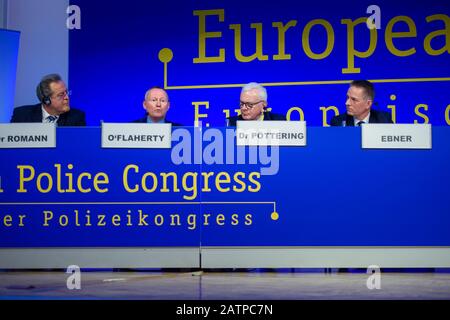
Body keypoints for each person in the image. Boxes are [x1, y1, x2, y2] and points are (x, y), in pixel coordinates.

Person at [10, 74, 86, 126]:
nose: (67, 97)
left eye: (66, 92)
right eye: (61, 94)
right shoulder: (22, 115)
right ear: (46, 100)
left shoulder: (76, 117)